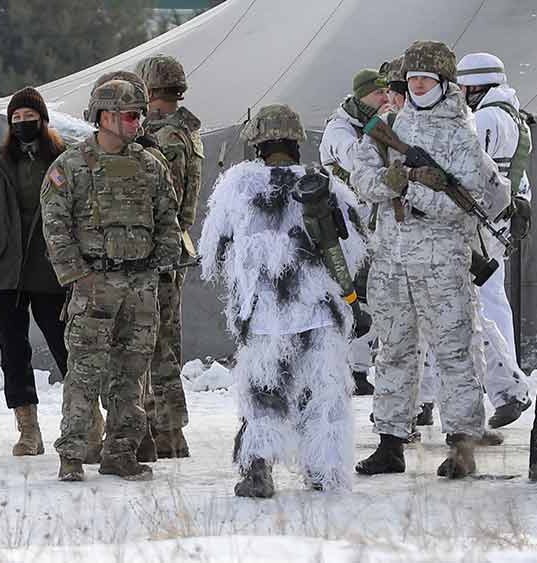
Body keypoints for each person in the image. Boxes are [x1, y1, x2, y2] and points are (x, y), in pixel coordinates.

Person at [352, 41, 510, 479]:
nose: (418, 86)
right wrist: (393, 180)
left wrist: (415, 189)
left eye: (427, 80)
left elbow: (469, 199)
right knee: (394, 351)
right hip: (391, 260)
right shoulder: (387, 124)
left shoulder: (462, 132)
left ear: (444, 84)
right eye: (413, 80)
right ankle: (390, 442)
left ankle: (462, 444)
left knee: (455, 351)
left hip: (441, 261)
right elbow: (362, 179)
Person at [200, 104, 366, 497]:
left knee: (262, 394)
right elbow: (354, 250)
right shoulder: (324, 184)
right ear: (296, 142)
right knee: (324, 396)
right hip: (320, 312)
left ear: (256, 143)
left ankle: (258, 469)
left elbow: (213, 255)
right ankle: (324, 473)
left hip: (264, 317)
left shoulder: (236, 186)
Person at [42, 79, 180, 482]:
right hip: (93, 286)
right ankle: (72, 452)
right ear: (104, 117)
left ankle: (121, 451)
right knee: (84, 372)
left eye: (139, 114)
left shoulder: (150, 165)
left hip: (139, 286)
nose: (138, 122)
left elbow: (168, 220)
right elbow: (55, 227)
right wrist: (79, 277)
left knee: (132, 374)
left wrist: (157, 267)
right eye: (130, 115)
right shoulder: (71, 166)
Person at [0, 87, 68, 457]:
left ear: (43, 119)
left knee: (67, 347)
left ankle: (84, 422)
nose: (23, 123)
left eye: (29, 117)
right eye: (16, 119)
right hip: (5, 272)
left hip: (51, 269)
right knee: (13, 352)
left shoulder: (62, 160)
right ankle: (28, 429)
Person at [455, 51, 533, 428]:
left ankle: (505, 384)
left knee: (482, 303)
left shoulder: (485, 118)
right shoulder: (513, 115)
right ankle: (508, 379)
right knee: (494, 298)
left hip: (481, 221)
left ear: (475, 84)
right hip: (500, 220)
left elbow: (472, 170)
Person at [135, 54, 203, 458]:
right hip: (175, 245)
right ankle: (170, 431)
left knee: (155, 347)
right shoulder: (188, 133)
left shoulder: (163, 139)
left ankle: (166, 431)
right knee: (165, 344)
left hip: (157, 249)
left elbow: (162, 198)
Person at [318, 67, 390, 397]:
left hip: (369, 226)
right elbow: (358, 161)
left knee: (367, 298)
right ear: (361, 96)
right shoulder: (339, 130)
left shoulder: (365, 125)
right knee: (352, 299)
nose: (385, 99)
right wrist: (383, 130)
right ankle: (348, 367)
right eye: (378, 94)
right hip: (345, 230)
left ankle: (358, 368)